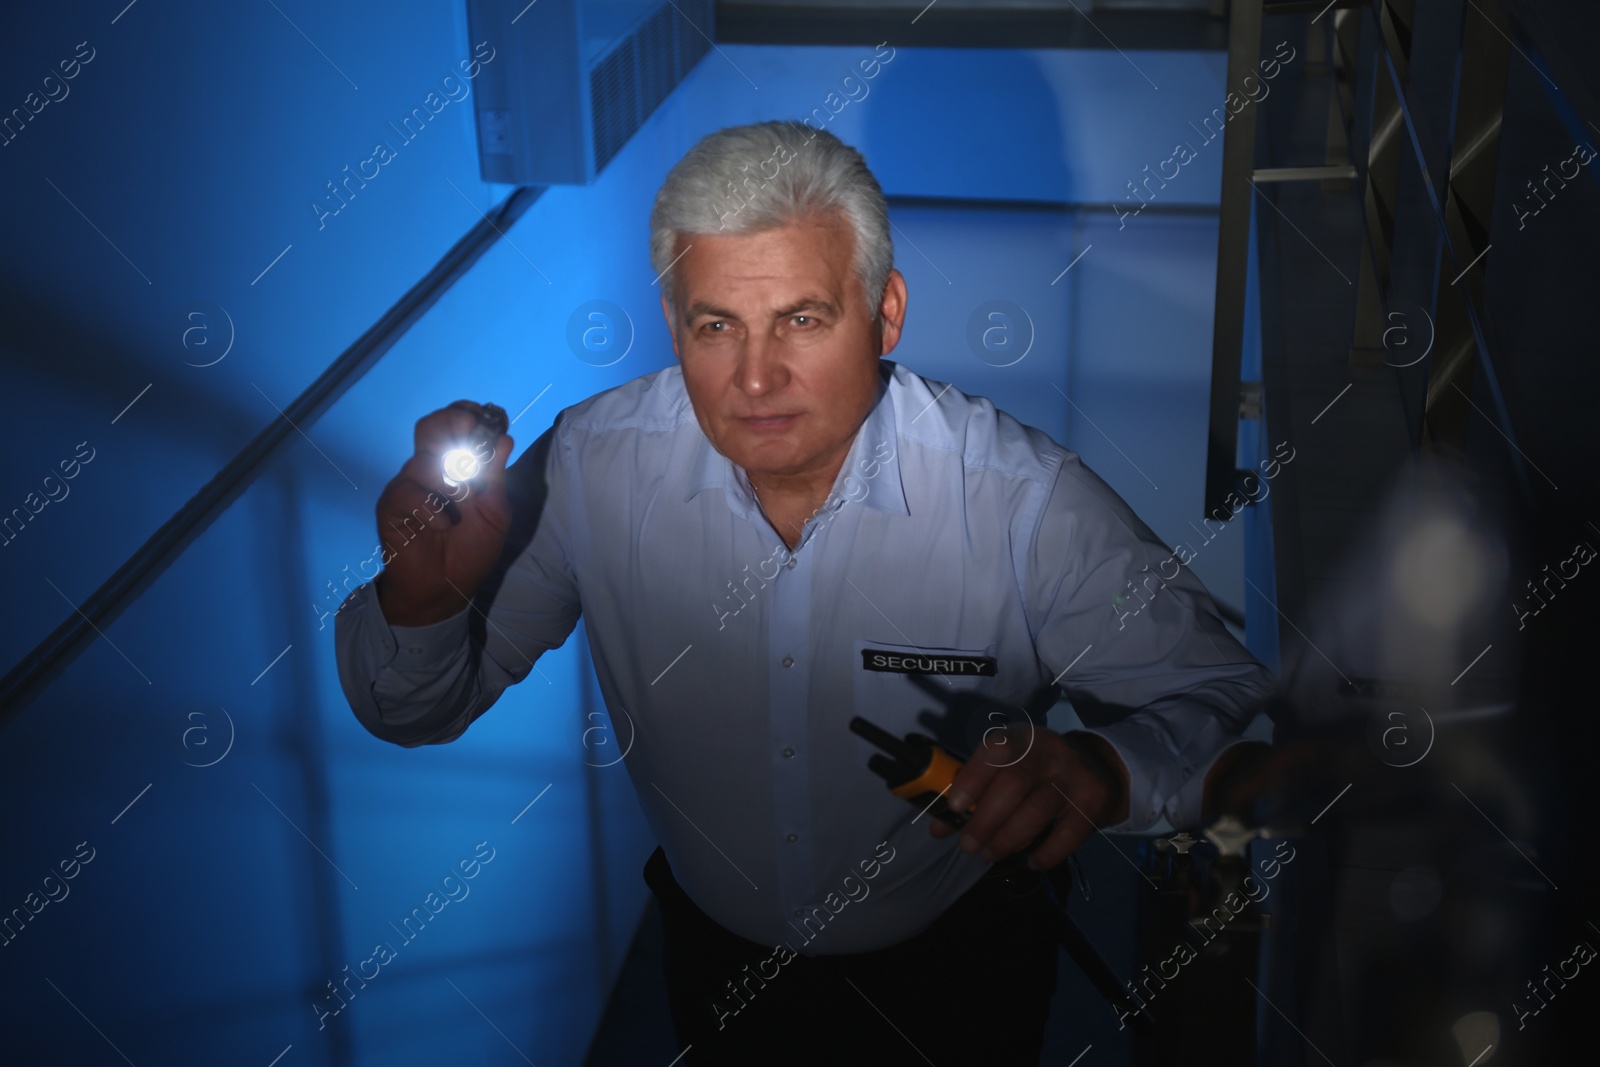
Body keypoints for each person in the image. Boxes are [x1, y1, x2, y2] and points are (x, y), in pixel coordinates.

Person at [335, 120, 1275, 1064]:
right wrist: (423, 602)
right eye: (717, 326)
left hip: (961, 979)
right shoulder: (589, 467)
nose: (755, 377)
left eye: (802, 319)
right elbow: (413, 714)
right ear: (673, 324)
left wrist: (1106, 772)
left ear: (886, 312)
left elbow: (1232, 707)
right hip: (713, 974)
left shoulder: (1023, 502)